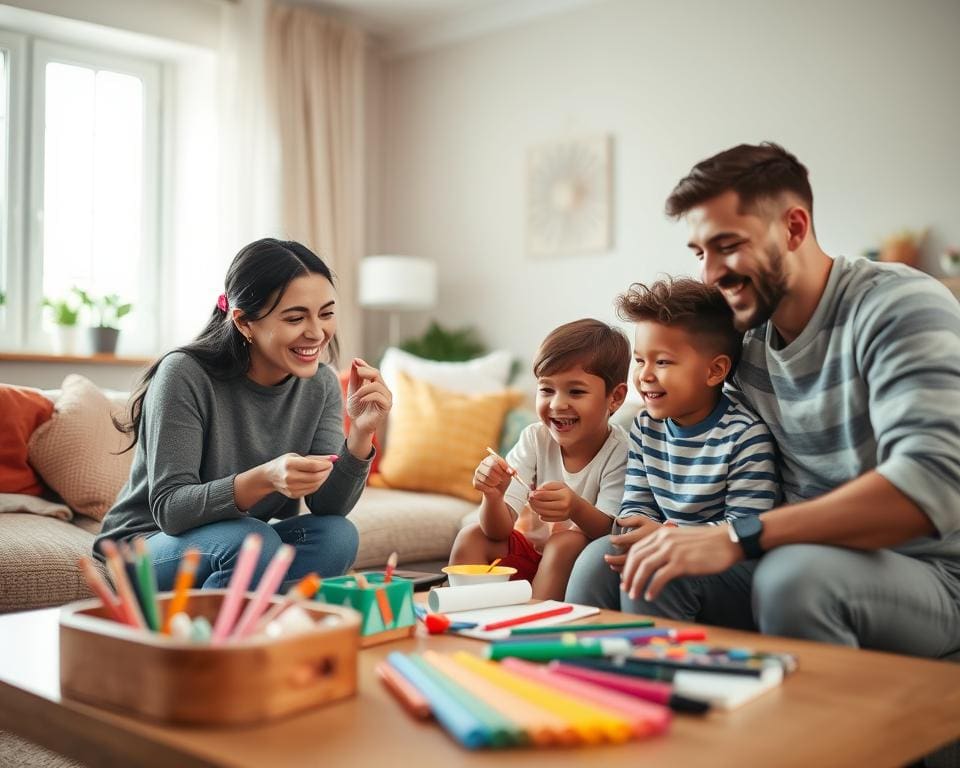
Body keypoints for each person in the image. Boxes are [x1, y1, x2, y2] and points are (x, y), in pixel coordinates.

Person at [611, 142, 960, 656]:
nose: (709, 274)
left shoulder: (897, 305)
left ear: (794, 228)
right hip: (786, 556)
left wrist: (734, 536)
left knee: (795, 576)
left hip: (926, 574)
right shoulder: (747, 342)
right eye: (700, 253)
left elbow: (932, 483)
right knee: (627, 562)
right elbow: (677, 413)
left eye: (727, 245)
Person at [95, 238, 392, 592]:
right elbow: (171, 509)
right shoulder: (184, 374)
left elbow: (328, 505)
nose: (316, 332)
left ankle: (266, 629)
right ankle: (209, 643)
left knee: (337, 536)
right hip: (146, 545)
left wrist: (360, 434)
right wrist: (265, 478)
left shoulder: (322, 384)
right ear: (244, 322)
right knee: (253, 539)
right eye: (296, 317)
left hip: (238, 541)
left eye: (326, 313)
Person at [566, 278, 780, 627]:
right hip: (668, 544)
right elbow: (636, 501)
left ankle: (653, 667)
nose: (645, 375)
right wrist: (634, 531)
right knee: (595, 559)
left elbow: (745, 529)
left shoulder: (745, 436)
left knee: (657, 568)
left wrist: (669, 538)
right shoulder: (645, 427)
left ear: (715, 371)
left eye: (662, 362)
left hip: (730, 565)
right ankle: (579, 662)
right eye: (639, 360)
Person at [449, 319, 630, 600]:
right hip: (532, 558)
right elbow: (497, 531)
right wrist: (493, 497)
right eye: (546, 389)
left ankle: (536, 624)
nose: (557, 404)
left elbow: (611, 529)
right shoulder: (535, 438)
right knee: (472, 536)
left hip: (582, 569)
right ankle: (466, 616)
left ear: (615, 397)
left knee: (565, 541)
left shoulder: (619, 451)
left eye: (576, 391)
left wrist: (575, 508)